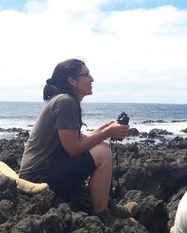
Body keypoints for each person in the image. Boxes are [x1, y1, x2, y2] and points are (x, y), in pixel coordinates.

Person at [18, 58, 129, 219]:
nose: (92, 79)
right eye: (87, 74)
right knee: (103, 152)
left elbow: (78, 139)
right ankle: (102, 216)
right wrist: (108, 133)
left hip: (44, 172)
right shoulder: (66, 102)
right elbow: (74, 148)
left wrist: (105, 128)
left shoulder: (64, 100)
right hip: (37, 179)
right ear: (72, 81)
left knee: (101, 145)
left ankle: (111, 207)